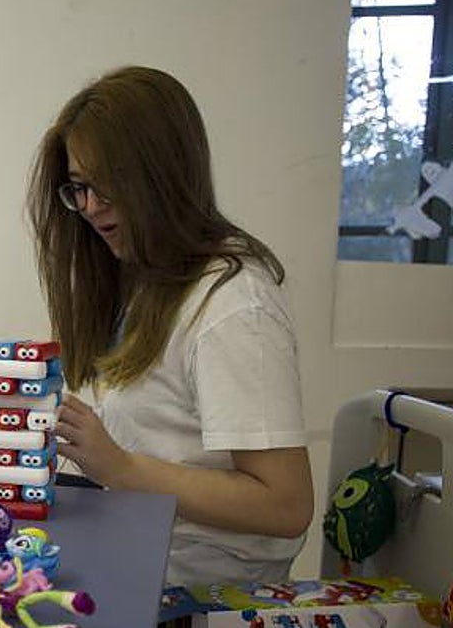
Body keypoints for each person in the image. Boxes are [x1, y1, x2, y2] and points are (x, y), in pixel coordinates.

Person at [26, 66, 313, 585]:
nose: (90, 208)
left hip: (201, 591)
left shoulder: (233, 304)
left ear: (161, 173)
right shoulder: (145, 281)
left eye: (106, 184)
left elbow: (286, 505)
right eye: (79, 188)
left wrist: (119, 468)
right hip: (139, 549)